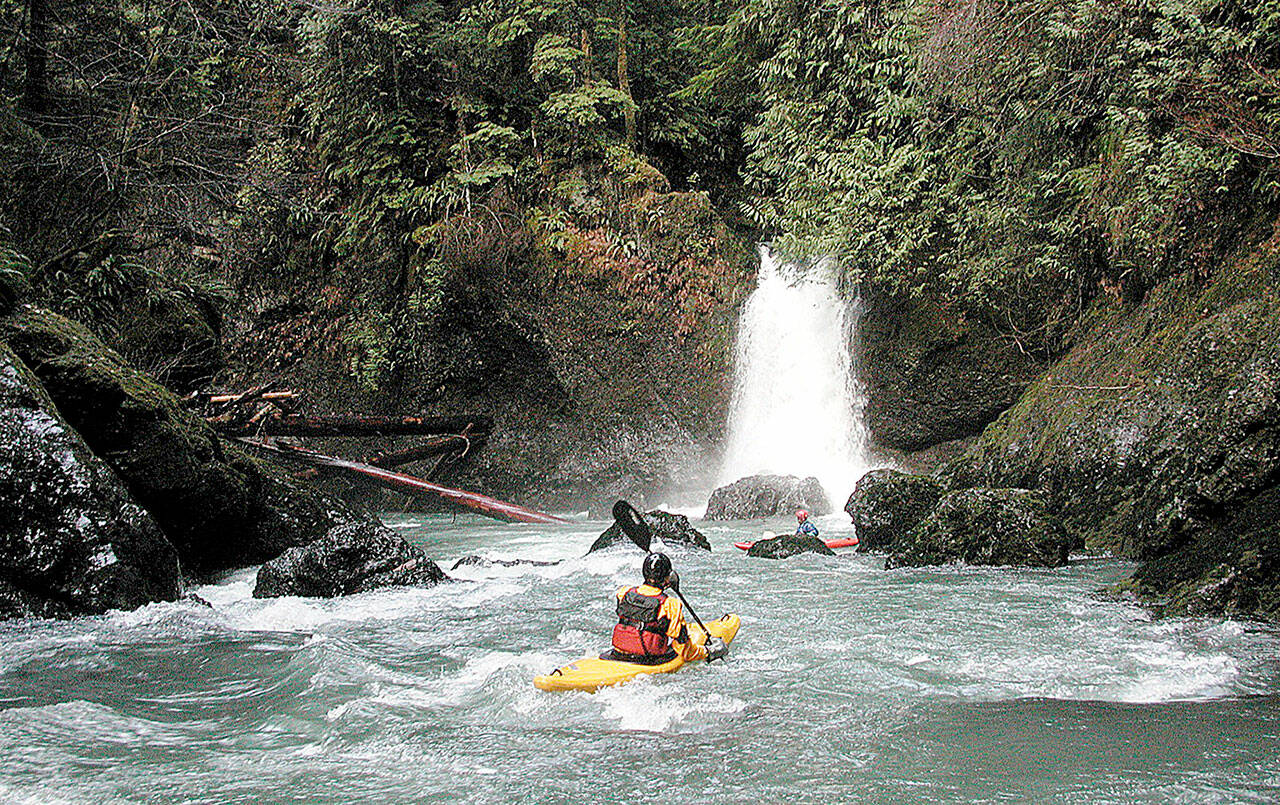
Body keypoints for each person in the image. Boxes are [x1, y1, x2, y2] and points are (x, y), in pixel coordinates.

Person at [609, 552, 726, 664]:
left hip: (619, 652)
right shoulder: (670, 604)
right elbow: (685, 652)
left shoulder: (623, 593)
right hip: (649, 658)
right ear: (668, 577)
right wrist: (708, 651)